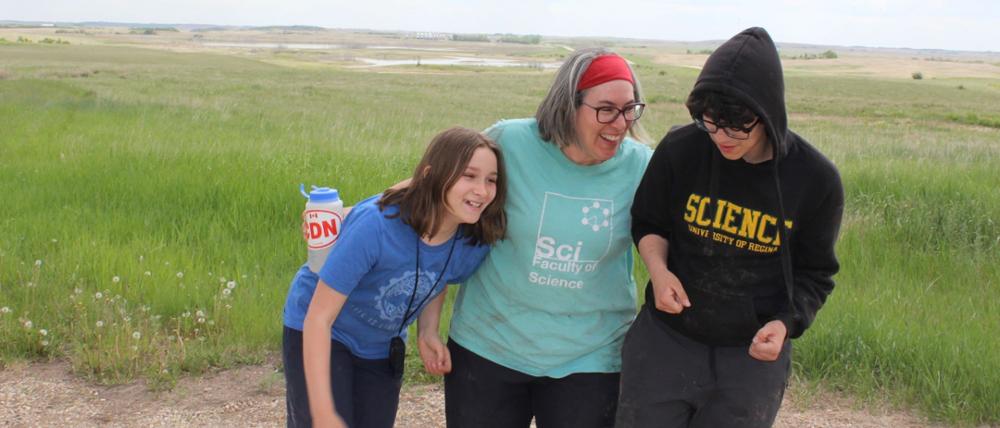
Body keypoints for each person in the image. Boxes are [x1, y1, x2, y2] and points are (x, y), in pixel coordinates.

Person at [616, 27, 845, 427]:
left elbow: (816, 274)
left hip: (750, 358)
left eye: (737, 127)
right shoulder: (682, 149)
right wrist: (660, 270)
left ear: (768, 114)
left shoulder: (815, 180)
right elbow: (649, 222)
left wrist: (785, 323)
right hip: (664, 341)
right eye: (711, 123)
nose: (722, 137)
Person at [430, 48, 653, 428]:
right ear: (569, 104)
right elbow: (440, 192)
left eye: (630, 108)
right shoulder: (509, 142)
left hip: (592, 355)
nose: (620, 123)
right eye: (606, 109)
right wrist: (355, 214)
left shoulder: (641, 166)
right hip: (489, 345)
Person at [280, 127, 508, 428]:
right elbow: (318, 317)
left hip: (380, 343)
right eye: (469, 175)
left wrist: (427, 331)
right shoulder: (377, 227)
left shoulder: (471, 240)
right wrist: (322, 413)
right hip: (325, 327)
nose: (482, 190)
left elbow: (436, 274)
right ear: (431, 176)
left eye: (491, 180)